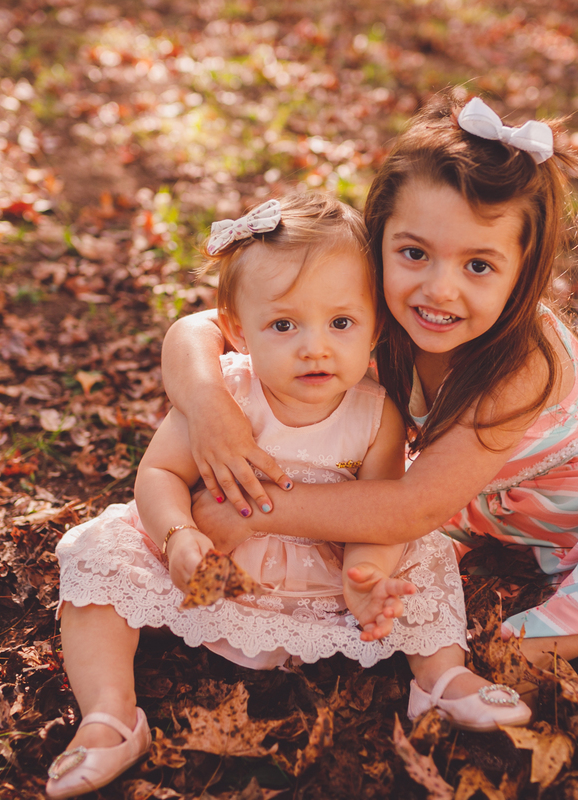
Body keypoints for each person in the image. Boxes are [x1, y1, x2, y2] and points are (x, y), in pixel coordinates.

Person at [161, 92, 578, 688]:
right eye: (414, 253)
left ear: (523, 269)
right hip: (474, 499)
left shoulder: (522, 361)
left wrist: (258, 509)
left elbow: (417, 504)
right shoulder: (364, 302)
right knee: (384, 557)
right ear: (378, 240)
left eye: (478, 265)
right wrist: (208, 403)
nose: (439, 290)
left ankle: (541, 647)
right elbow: (198, 329)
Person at [46, 194, 529, 799]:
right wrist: (177, 536)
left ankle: (442, 677)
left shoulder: (376, 414)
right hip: (213, 561)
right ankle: (110, 715)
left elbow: (377, 512)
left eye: (341, 323)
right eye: (283, 325)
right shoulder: (228, 393)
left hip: (322, 575)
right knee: (98, 555)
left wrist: (365, 576)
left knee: (425, 558)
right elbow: (159, 475)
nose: (315, 347)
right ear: (237, 330)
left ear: (375, 326)